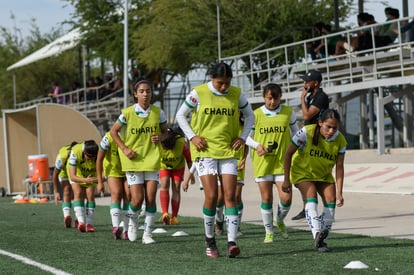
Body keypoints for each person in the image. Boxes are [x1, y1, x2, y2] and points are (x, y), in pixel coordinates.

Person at [176, 62, 254, 259]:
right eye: (220, 83)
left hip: (228, 153)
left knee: (231, 196)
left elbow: (250, 116)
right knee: (211, 197)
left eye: (227, 83)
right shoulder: (198, 93)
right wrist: (192, 136)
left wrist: (243, 137)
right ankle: (210, 241)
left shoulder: (236, 94)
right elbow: (180, 115)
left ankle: (231, 242)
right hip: (205, 153)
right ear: (212, 78)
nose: (224, 87)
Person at [110, 79, 168, 244]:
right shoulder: (127, 113)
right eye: (141, 91)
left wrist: (161, 137)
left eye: (148, 91)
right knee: (137, 199)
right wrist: (124, 148)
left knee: (150, 198)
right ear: (135, 94)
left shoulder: (158, 112)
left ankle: (147, 235)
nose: (145, 94)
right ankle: (133, 222)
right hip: (133, 161)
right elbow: (113, 132)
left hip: (152, 159)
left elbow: (166, 132)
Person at [282, 109, 347, 252]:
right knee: (311, 196)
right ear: (320, 123)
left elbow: (340, 167)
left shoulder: (341, 140)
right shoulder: (306, 132)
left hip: (324, 175)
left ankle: (321, 240)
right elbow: (288, 154)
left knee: (331, 204)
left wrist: (339, 192)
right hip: (302, 173)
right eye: (328, 127)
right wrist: (286, 179)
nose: (331, 131)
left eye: (334, 128)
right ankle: (317, 234)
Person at [246, 83, 299, 243]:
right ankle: (269, 231)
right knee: (267, 198)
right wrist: (257, 146)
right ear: (264, 97)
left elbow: (297, 133)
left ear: (280, 97)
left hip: (283, 162)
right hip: (263, 162)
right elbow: (246, 137)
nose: (272, 102)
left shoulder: (288, 113)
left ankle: (279, 220)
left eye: (275, 98)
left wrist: (298, 148)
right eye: (269, 98)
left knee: (287, 198)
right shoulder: (255, 115)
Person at [292, 69, 329, 221]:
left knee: (317, 175)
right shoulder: (311, 96)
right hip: (309, 137)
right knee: (303, 172)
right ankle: (306, 206)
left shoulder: (320, 97)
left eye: (307, 81)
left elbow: (307, 115)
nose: (305, 83)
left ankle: (323, 208)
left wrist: (301, 97)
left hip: (318, 139)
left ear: (316, 83)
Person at [96, 131, 131, 240]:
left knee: (128, 196)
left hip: (128, 169)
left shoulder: (131, 134)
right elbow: (99, 159)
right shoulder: (108, 137)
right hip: (113, 170)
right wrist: (100, 181)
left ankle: (125, 230)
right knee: (116, 193)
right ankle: (116, 227)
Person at [159, 127, 193, 225]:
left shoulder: (182, 144)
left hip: (178, 167)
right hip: (164, 166)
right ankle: (165, 213)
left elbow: (189, 160)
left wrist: (191, 176)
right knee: (164, 184)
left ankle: (174, 217)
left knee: (176, 188)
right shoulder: (159, 142)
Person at [68, 140, 103, 233]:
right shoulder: (75, 151)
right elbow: (72, 176)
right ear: (84, 152)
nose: (91, 159)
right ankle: (81, 222)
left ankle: (89, 224)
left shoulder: (100, 153)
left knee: (90, 195)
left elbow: (106, 175)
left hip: (91, 173)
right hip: (77, 173)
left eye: (93, 157)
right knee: (78, 193)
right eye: (88, 157)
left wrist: (99, 181)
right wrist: (85, 180)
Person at [52, 141, 78, 228]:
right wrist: (56, 192)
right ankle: (67, 216)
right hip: (64, 171)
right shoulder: (62, 157)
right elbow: (55, 175)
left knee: (77, 192)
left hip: (76, 170)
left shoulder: (80, 154)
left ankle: (78, 218)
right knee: (66, 190)